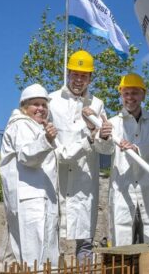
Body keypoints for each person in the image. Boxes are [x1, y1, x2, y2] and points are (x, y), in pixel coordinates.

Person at [49, 50, 112, 263]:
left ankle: (83, 267)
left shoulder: (98, 104)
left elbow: (104, 148)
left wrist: (103, 136)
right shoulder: (51, 100)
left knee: (84, 233)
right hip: (57, 173)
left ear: (90, 78)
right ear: (68, 73)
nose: (78, 80)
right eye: (75, 74)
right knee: (53, 228)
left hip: (85, 176)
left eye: (83, 76)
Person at [96, 73, 149, 246]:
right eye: (126, 93)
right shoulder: (112, 123)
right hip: (122, 189)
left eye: (134, 93)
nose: (130, 98)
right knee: (122, 237)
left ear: (143, 95)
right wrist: (103, 137)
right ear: (121, 95)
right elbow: (104, 150)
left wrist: (137, 148)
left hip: (148, 188)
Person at [0, 83, 60, 268]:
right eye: (36, 104)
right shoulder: (21, 126)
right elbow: (27, 156)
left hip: (41, 199)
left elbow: (64, 154)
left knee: (46, 254)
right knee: (35, 256)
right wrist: (47, 140)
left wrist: (89, 138)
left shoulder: (37, 128)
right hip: (31, 201)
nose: (41, 109)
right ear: (24, 107)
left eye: (44, 105)